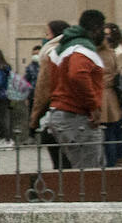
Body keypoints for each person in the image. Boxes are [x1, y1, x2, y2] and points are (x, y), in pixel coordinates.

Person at [44, 9, 107, 170]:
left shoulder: (63, 48)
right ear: (96, 29)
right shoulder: (82, 49)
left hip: (61, 113)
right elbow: (78, 75)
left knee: (76, 171)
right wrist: (93, 106)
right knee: (89, 172)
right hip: (76, 117)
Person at [29, 20, 70, 169]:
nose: (45, 36)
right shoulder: (74, 48)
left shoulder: (50, 53)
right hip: (75, 108)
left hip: (56, 106)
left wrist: (34, 118)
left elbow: (43, 89)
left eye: (47, 33)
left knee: (57, 152)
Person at [99, 23, 122, 167]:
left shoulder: (103, 53)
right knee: (114, 131)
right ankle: (118, 160)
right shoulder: (111, 52)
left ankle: (112, 164)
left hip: (104, 95)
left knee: (109, 133)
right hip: (111, 96)